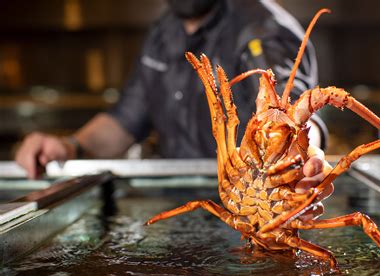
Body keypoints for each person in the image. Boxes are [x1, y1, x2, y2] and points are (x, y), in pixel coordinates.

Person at [15, 0, 332, 196]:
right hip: (178, 215)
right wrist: (70, 145)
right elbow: (126, 120)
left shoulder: (263, 29)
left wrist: (307, 153)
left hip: (249, 212)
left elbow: (294, 110)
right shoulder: (162, 32)